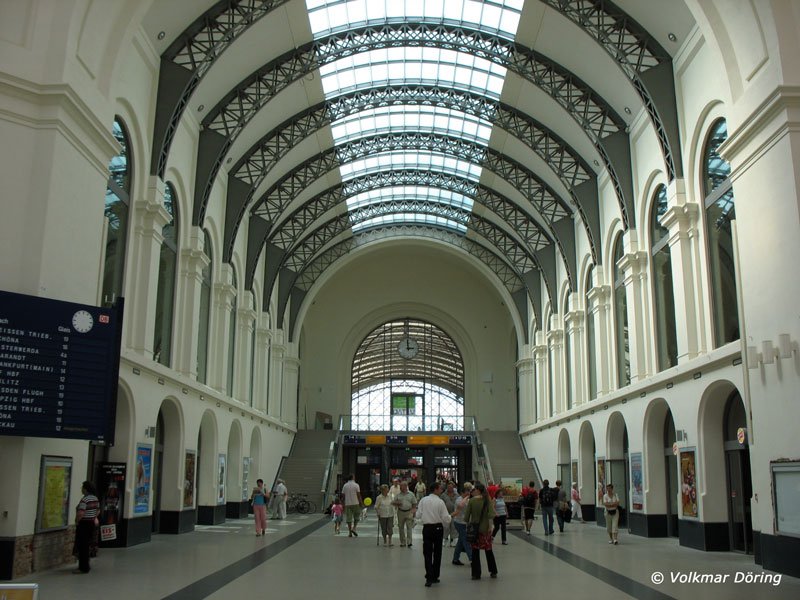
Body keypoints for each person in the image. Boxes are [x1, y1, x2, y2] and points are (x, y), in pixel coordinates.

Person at [416, 482, 451, 587]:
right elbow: (446, 518)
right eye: (440, 489)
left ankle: (429, 577)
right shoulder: (440, 502)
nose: (441, 490)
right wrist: (450, 517)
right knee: (437, 552)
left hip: (427, 528)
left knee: (427, 553)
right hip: (438, 528)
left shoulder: (423, 500)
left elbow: (418, 515)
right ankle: (435, 576)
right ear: (435, 489)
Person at [464, 482, 497, 580]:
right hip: (486, 529)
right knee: (488, 550)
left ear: (478, 490)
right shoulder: (487, 500)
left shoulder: (472, 501)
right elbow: (491, 515)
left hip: (475, 530)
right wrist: (490, 527)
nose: (473, 491)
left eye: (474, 489)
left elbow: (466, 517)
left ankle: (476, 574)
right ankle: (493, 571)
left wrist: (469, 526)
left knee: (475, 551)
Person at [73, 481, 99, 574]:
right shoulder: (95, 498)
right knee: (87, 545)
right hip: (91, 523)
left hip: (84, 524)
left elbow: (81, 512)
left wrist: (77, 521)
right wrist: (93, 517)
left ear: (86, 489)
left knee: (82, 546)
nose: (81, 489)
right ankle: (86, 565)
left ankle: (83, 567)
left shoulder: (85, 500)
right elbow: (98, 511)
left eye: (82, 487)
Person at [451, 482, 473, 566]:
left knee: (460, 542)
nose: (468, 493)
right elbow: (461, 505)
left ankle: (455, 559)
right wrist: (467, 497)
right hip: (459, 523)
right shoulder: (459, 499)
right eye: (467, 492)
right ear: (462, 493)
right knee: (466, 542)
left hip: (464, 523)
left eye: (469, 492)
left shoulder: (468, 500)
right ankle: (472, 559)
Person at [392, 480, 418, 547]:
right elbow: (393, 502)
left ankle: (409, 542)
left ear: (406, 486)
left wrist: (414, 512)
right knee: (401, 527)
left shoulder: (411, 494)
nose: (400, 488)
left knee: (409, 527)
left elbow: (414, 503)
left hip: (409, 512)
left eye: (401, 486)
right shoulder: (398, 495)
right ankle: (403, 542)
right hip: (400, 512)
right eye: (400, 486)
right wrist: (396, 503)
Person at [441, 481, 458, 546]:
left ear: (453, 487)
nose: (450, 488)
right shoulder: (443, 495)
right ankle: (444, 538)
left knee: (454, 527)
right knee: (446, 527)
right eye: (449, 487)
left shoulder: (457, 495)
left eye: (451, 487)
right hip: (446, 513)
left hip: (454, 513)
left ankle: (453, 540)